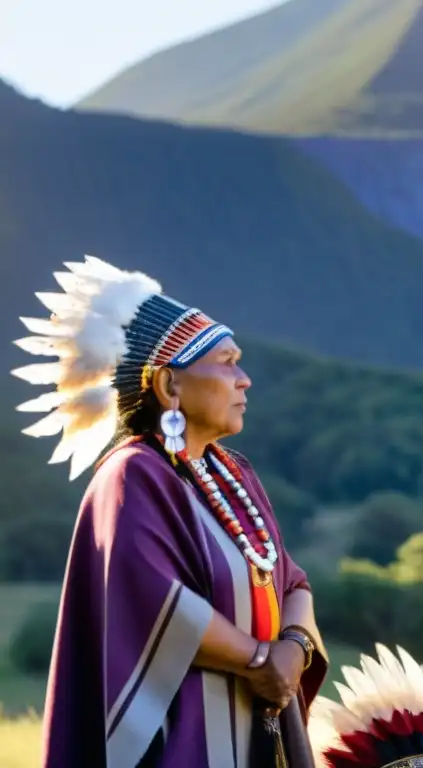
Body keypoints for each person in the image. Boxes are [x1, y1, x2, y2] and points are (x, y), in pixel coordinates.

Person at [12, 256, 328, 767]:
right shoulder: (133, 476)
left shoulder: (234, 473)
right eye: (226, 362)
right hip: (185, 738)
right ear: (168, 386)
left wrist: (292, 649)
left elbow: (290, 581)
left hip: (260, 727)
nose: (244, 379)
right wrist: (259, 659)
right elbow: (156, 603)